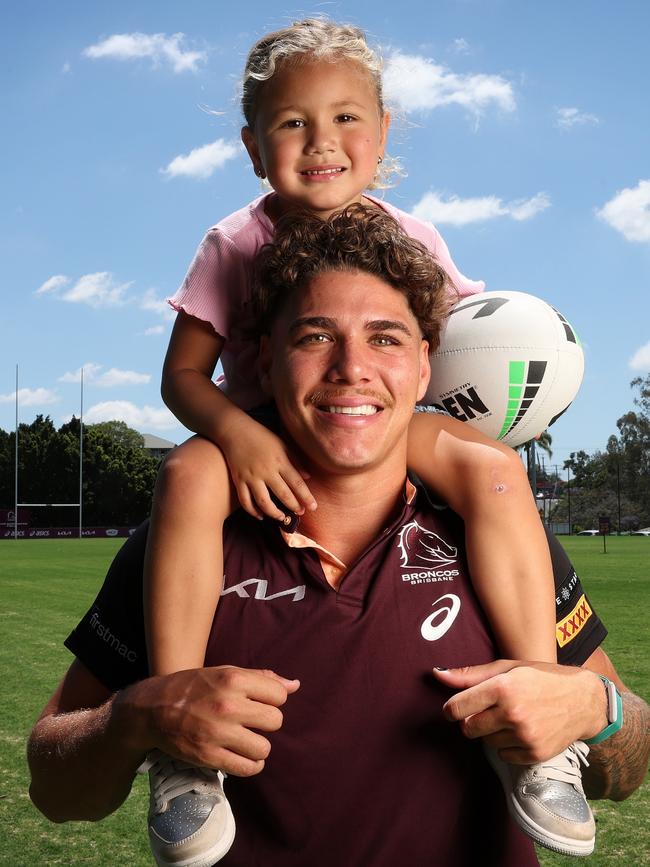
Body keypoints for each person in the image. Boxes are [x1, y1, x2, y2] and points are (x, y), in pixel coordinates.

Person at [28, 208, 649, 867]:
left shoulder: (491, 522)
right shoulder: (187, 537)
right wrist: (134, 718)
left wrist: (596, 707)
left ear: (422, 368)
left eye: (385, 339)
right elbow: (56, 789)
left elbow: (629, 765)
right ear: (265, 362)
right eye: (316, 336)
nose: (351, 367)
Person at [142, 17, 579, 862]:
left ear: (382, 133)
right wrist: (239, 434)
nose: (321, 141)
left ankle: (541, 727)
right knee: (189, 477)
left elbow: (437, 361)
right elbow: (182, 379)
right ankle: (181, 750)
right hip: (271, 426)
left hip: (383, 425)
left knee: (493, 471)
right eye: (292, 122)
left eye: (346, 118)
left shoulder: (414, 238)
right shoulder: (232, 244)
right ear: (252, 143)